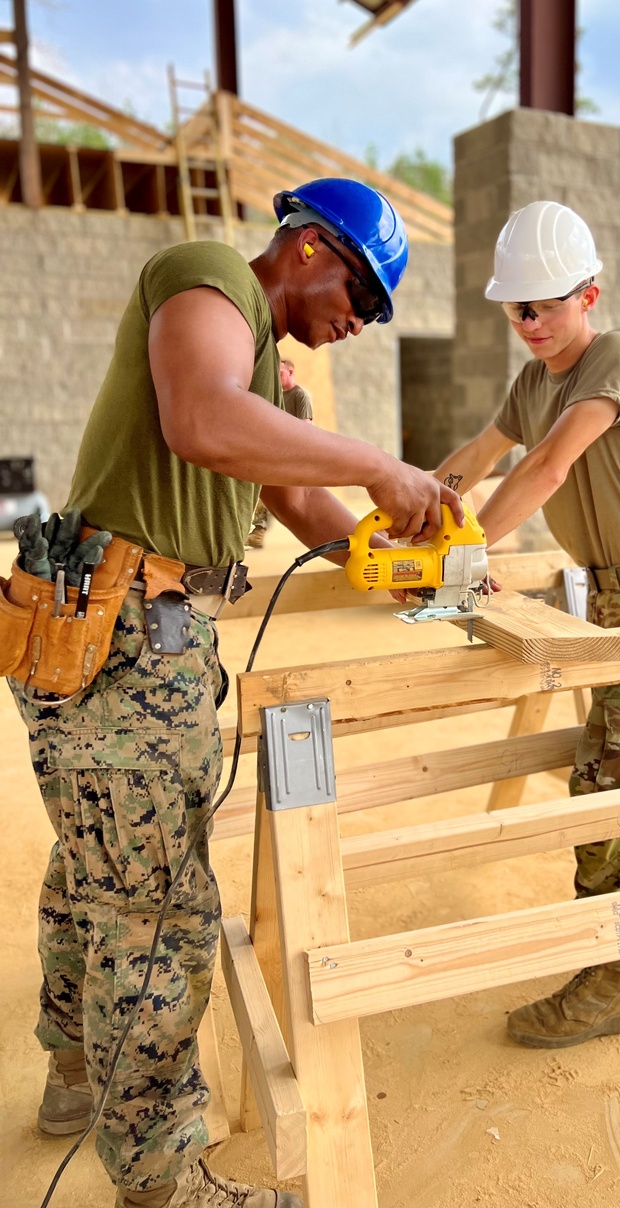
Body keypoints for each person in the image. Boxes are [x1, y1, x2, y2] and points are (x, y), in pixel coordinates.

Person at [8, 177, 463, 1208]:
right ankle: (163, 1180)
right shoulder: (209, 279)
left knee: (97, 867)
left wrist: (398, 560)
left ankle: (75, 1069)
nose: (362, 318)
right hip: (121, 639)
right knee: (156, 909)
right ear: (307, 246)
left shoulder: (276, 384)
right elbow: (201, 420)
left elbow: (296, 497)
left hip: (132, 640)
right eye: (362, 289)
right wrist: (385, 464)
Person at [433, 200, 620, 1050]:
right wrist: (415, 503)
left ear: (588, 295)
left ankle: (611, 978)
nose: (528, 323)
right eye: (516, 308)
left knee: (613, 784)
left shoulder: (615, 360)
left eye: (544, 306)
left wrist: (467, 545)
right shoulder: (533, 379)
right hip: (606, 596)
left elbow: (549, 465)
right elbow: (479, 457)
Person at [246, 358, 314, 547]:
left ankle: (258, 531)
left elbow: (305, 429)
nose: (277, 378)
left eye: (281, 374)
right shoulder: (275, 395)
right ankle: (256, 531)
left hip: (292, 456)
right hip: (274, 452)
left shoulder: (301, 396)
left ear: (291, 373)